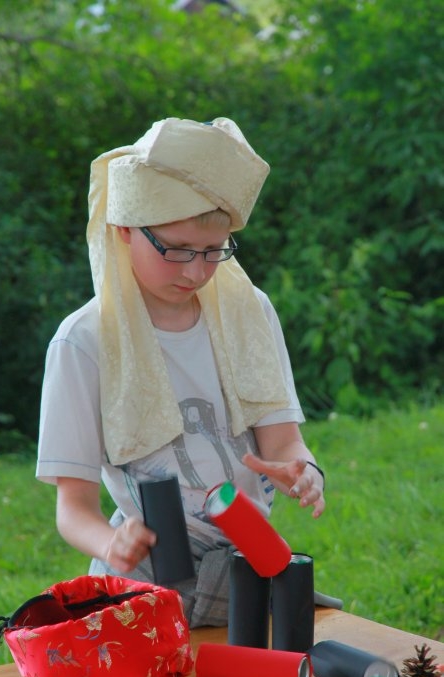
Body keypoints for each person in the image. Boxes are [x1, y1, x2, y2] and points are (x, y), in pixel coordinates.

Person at [36, 117, 326, 628]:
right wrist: (112, 541)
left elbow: (284, 444)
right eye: (176, 249)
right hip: (146, 580)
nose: (195, 271)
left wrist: (303, 471)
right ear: (125, 229)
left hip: (247, 565)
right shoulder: (83, 342)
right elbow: (73, 508)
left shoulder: (250, 313)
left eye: (214, 252)